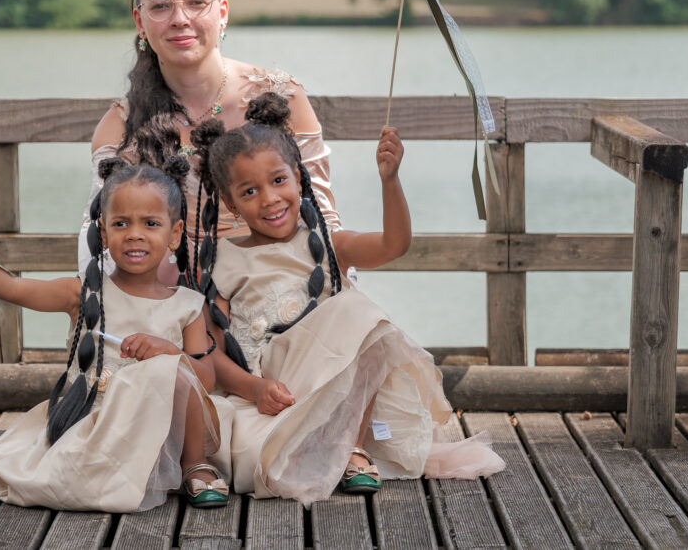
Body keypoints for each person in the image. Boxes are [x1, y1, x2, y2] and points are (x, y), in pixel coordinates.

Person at [191, 93, 505, 507]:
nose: (269, 198)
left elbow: (394, 245)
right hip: (271, 390)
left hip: (330, 389)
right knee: (259, 458)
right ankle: (314, 448)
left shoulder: (327, 243)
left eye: (279, 180)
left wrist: (389, 181)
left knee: (362, 313)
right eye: (250, 191)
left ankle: (353, 447)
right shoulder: (223, 262)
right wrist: (255, 388)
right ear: (230, 203)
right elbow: (209, 353)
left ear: (299, 179)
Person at [0, 155, 230, 512]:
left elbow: (205, 379)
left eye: (151, 223)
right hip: (100, 423)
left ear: (174, 233)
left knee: (174, 369)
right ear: (103, 230)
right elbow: (9, 287)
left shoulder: (188, 305)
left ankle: (194, 463)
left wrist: (167, 352)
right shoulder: (81, 293)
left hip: (158, 430)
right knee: (64, 484)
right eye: (121, 223)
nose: (135, 234)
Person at [80, 0, 341, 276]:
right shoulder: (121, 126)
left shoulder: (283, 98)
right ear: (140, 21)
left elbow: (323, 219)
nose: (179, 19)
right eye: (160, 6)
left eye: (197, 3)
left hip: (284, 288)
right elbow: (96, 245)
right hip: (175, 304)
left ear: (222, 13)